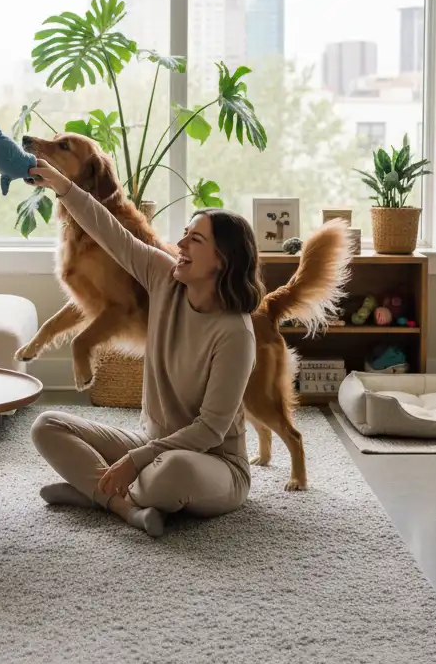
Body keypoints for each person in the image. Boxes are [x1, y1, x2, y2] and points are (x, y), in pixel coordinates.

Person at [28, 157, 261, 538]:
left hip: (212, 463)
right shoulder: (163, 275)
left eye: (195, 239)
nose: (180, 244)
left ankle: (93, 490)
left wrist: (135, 461)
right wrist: (61, 185)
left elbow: (210, 430)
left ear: (222, 261)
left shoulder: (236, 333)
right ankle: (123, 505)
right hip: (151, 443)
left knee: (171, 474)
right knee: (46, 426)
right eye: (185, 234)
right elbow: (109, 231)